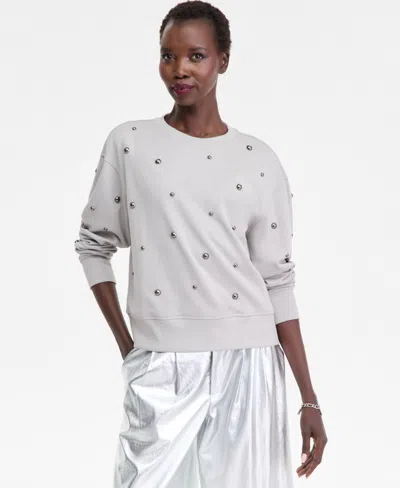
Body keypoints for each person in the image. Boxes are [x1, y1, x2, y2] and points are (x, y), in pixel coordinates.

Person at [74, 1, 328, 487]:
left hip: (251, 363)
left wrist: (309, 398)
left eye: (196, 56)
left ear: (223, 60)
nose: (180, 69)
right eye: (168, 56)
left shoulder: (258, 159)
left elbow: (277, 280)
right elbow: (92, 244)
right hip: (160, 363)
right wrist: (130, 349)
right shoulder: (130, 143)